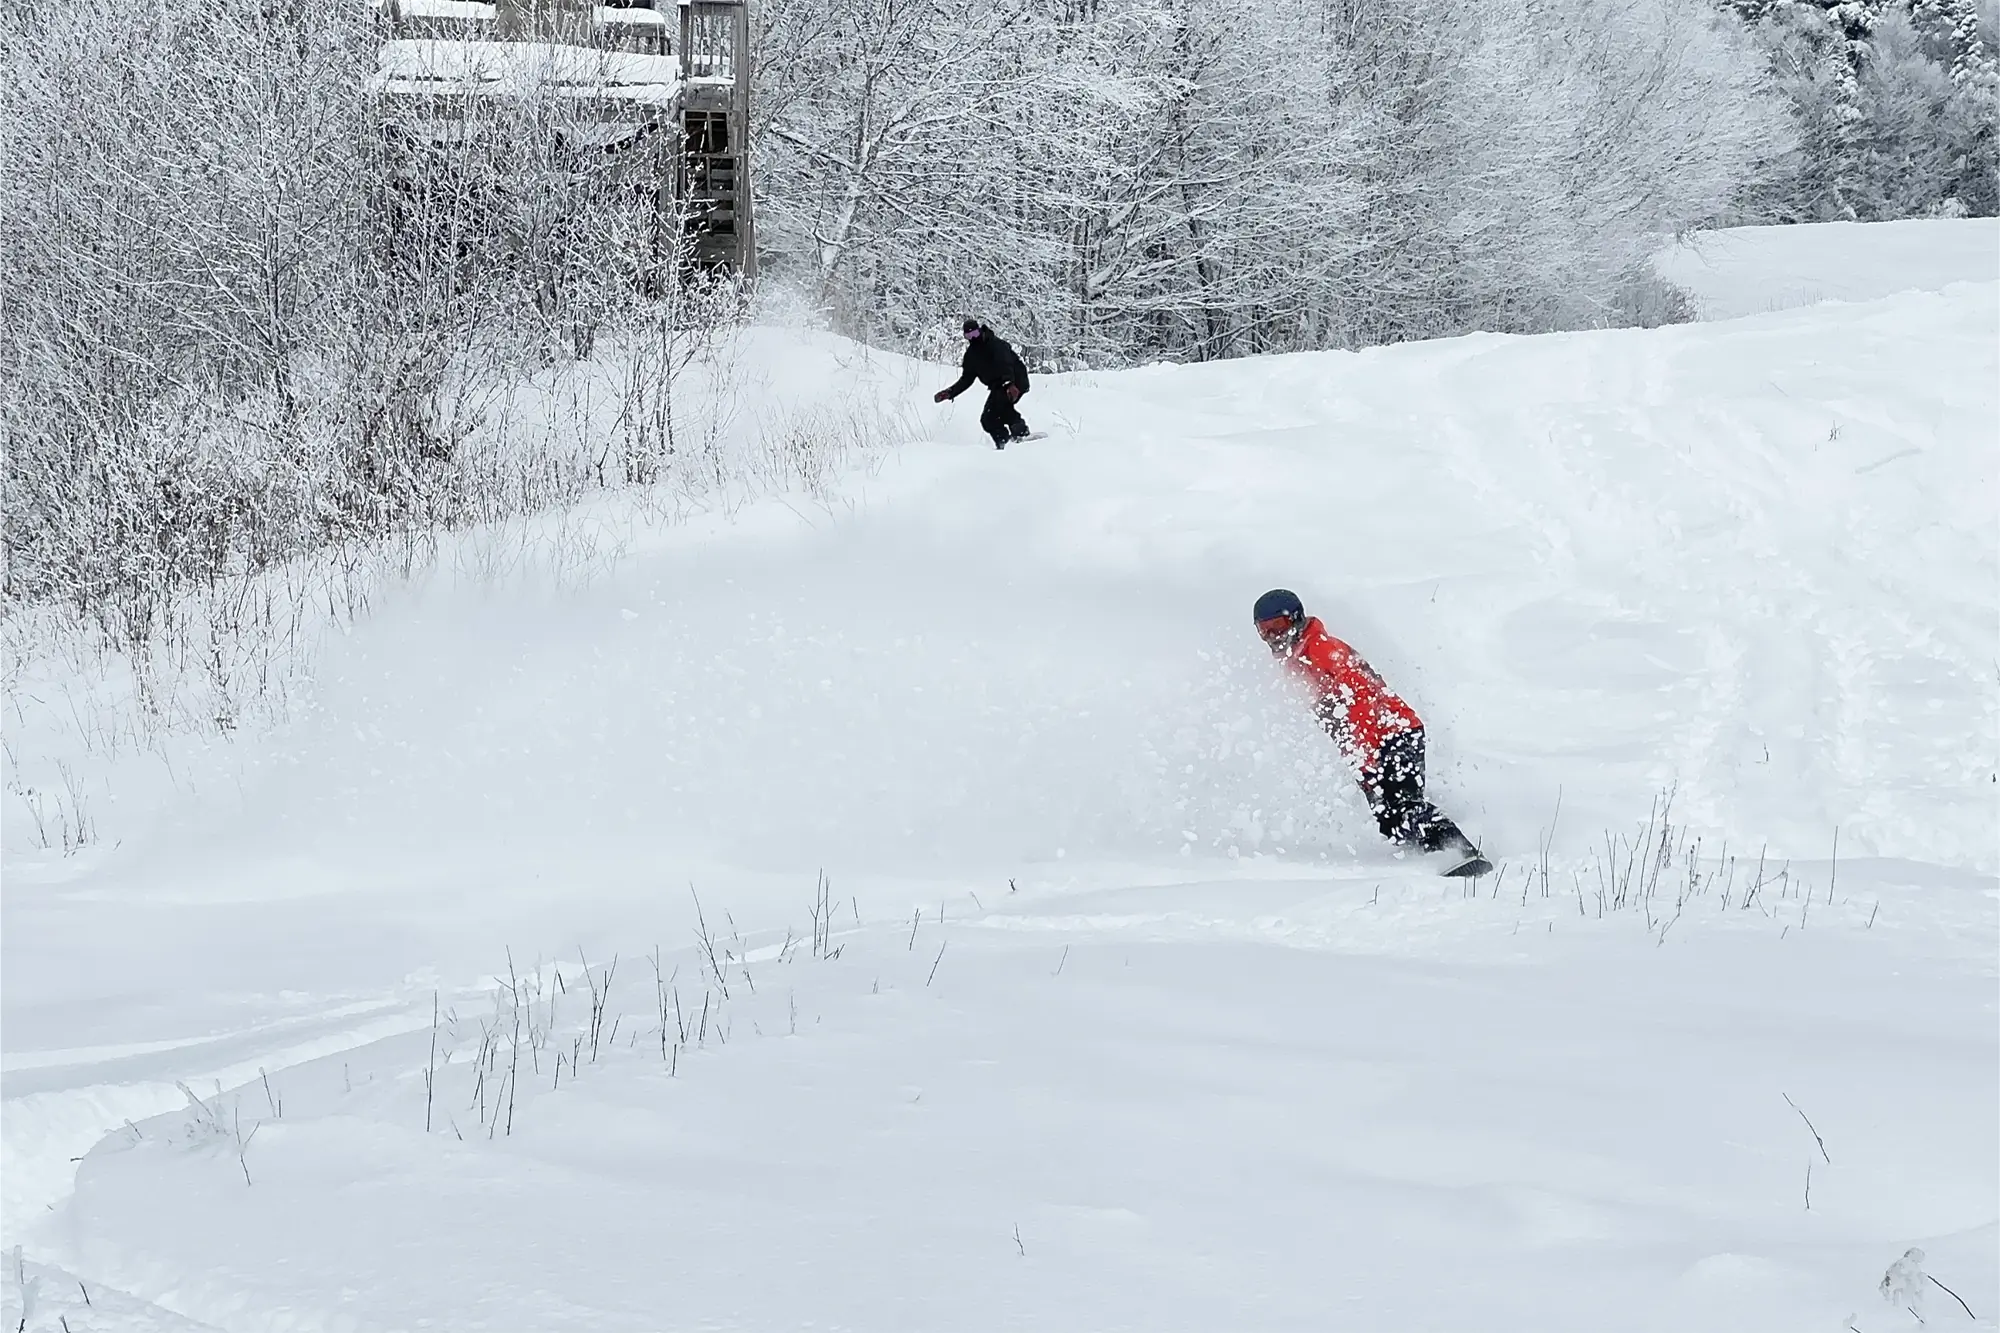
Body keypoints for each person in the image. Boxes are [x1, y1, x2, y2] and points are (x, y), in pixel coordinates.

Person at [1253, 588, 1487, 871]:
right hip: (1368, 744)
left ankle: (1463, 855)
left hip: (1396, 732)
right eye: (1264, 631)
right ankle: (1428, 861)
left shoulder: (1322, 650)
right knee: (1389, 820)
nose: (1272, 637)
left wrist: (1364, 756)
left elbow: (1360, 699)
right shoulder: (1296, 663)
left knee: (1404, 806)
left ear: (1296, 619)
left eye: (1278, 627)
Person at [934, 317, 1031, 449]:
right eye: (969, 336)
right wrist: (950, 392)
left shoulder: (995, 344)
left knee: (1002, 406)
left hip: (1016, 379)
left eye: (975, 333)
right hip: (998, 386)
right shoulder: (971, 356)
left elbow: (1006, 363)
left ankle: (1021, 434)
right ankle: (1004, 442)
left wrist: (1009, 383)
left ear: (979, 331)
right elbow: (966, 379)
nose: (973, 338)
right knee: (988, 419)